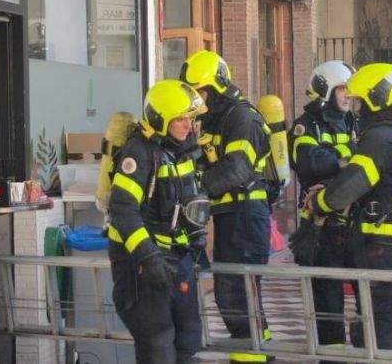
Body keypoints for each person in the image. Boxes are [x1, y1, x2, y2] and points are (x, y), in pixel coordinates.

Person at [304, 63, 392, 363]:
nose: (356, 109)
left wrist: (319, 202)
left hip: (384, 248)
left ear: (378, 97)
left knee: (376, 332)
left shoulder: (381, 136)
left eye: (360, 101)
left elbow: (353, 184)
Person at [179, 51, 273, 362]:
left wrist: (193, 187)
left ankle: (252, 357)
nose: (198, 100)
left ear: (217, 87)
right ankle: (258, 354)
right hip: (230, 216)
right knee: (234, 294)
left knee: (237, 294)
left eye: (201, 92)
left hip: (246, 217)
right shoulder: (212, 120)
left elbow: (237, 169)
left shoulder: (242, 117)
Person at [108, 79, 209, 363]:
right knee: (158, 343)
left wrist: (196, 239)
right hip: (142, 265)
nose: (188, 125)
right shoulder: (138, 153)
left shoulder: (182, 150)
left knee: (189, 337)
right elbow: (123, 211)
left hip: (178, 259)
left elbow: (191, 198)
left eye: (190, 118)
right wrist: (148, 258)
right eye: (180, 119)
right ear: (160, 119)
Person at [288, 60, 357, 349]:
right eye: (342, 89)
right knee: (327, 296)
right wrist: (349, 153)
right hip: (320, 225)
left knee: (365, 290)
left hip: (353, 221)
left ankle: (362, 349)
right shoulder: (305, 125)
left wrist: (338, 158)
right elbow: (311, 163)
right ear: (325, 90)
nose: (347, 95)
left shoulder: (353, 121)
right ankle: (331, 354)